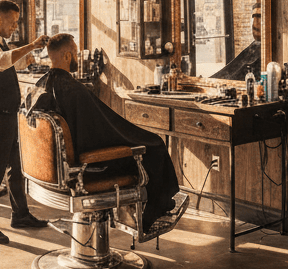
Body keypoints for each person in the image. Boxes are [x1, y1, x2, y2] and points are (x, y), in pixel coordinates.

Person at [26, 33, 180, 228]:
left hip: (50, 170)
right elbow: (105, 131)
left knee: (146, 141)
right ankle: (154, 212)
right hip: (89, 168)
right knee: (153, 145)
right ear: (66, 56)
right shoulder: (74, 91)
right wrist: (138, 140)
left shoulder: (41, 87)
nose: (77, 55)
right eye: (75, 52)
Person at [0, 0, 49, 243]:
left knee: (16, 167)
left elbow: (14, 61)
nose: (15, 26)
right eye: (13, 22)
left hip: (9, 114)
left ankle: (20, 214)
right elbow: (3, 61)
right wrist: (32, 46)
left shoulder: (2, 43)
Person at [210, 7, 262, 81]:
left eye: (256, 29)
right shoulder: (255, 45)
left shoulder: (259, 47)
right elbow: (232, 66)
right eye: (254, 28)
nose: (254, 31)